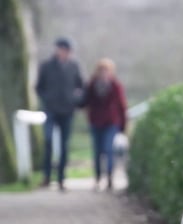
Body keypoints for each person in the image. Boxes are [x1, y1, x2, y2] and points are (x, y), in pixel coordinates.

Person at [36, 37, 84, 191]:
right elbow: (39, 87)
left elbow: (81, 86)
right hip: (50, 109)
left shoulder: (74, 67)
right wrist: (46, 99)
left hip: (67, 110)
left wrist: (75, 100)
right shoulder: (46, 66)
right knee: (48, 140)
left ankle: (61, 178)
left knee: (64, 145)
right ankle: (47, 176)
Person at [83, 58, 127, 191]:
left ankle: (109, 177)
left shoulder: (116, 86)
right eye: (102, 70)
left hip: (111, 122)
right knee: (97, 151)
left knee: (108, 150)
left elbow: (122, 106)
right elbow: (86, 102)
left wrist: (123, 125)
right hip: (96, 122)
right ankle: (97, 178)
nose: (104, 73)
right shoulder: (91, 85)